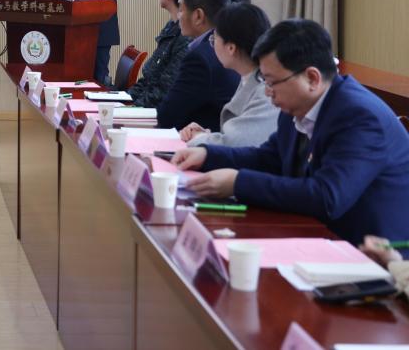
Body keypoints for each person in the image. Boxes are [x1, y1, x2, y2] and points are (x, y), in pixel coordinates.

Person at [173, 19, 409, 247]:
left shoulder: (358, 116)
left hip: (372, 254)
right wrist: (207, 155)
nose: (268, 92)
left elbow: (327, 197)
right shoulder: (296, 105)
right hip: (315, 235)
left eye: (272, 82)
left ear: (312, 78)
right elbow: (271, 158)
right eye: (264, 81)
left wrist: (238, 183)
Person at [180, 2, 278, 146]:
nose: (212, 45)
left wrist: (200, 138)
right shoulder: (248, 77)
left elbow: (237, 143)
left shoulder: (266, 90)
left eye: (214, 39)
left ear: (231, 48)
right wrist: (207, 135)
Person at [156, 0, 239, 130]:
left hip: (202, 140)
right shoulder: (231, 44)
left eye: (181, 9)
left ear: (198, 16)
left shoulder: (201, 57)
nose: (178, 16)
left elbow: (167, 116)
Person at [127, 0, 199, 107]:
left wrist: (132, 109)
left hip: (159, 113)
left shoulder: (186, 37)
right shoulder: (171, 26)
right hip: (146, 107)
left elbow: (163, 91)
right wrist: (121, 101)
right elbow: (149, 80)